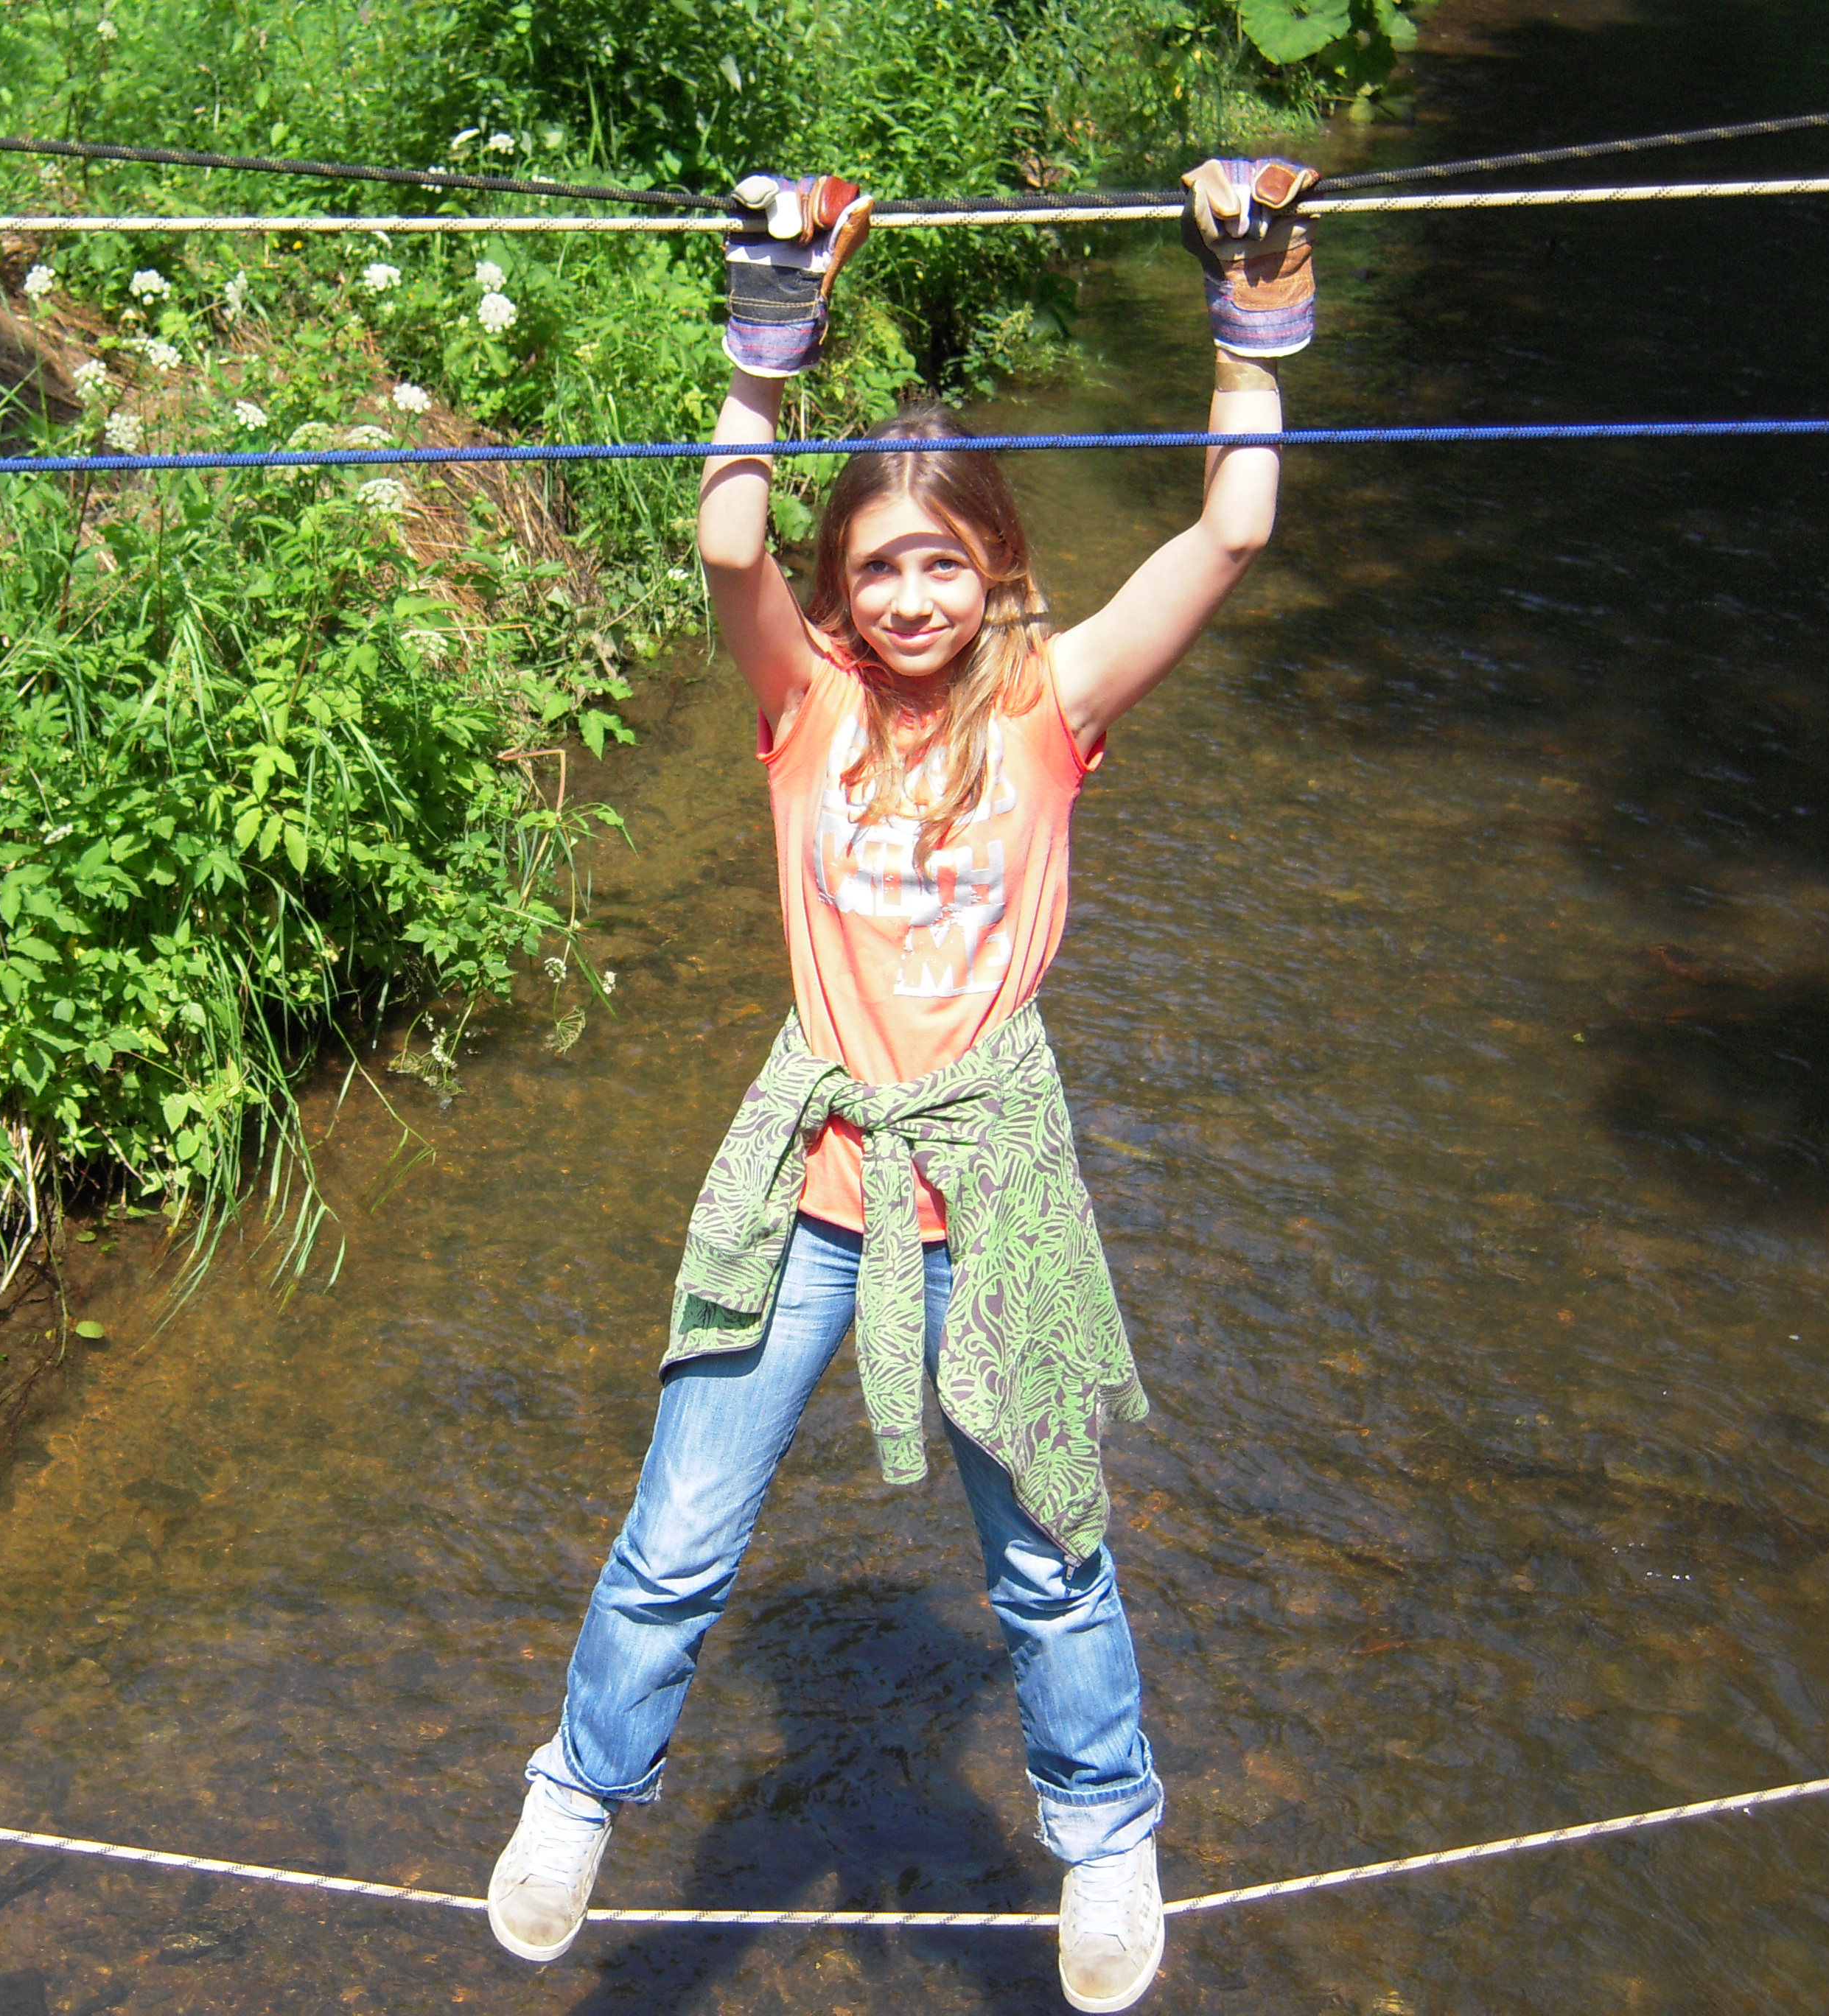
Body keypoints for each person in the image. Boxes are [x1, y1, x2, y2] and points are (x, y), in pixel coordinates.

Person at [483, 157, 1318, 2012]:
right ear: (844, 592)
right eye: (880, 566)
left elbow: (1231, 531)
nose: (915, 594)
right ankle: (578, 1795)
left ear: (998, 570)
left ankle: (1107, 1839)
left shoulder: (1052, 707)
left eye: (946, 562)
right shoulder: (811, 710)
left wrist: (1250, 317)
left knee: (1051, 1555)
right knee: (680, 1534)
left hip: (993, 1190)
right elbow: (726, 547)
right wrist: (763, 345)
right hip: (812, 1189)